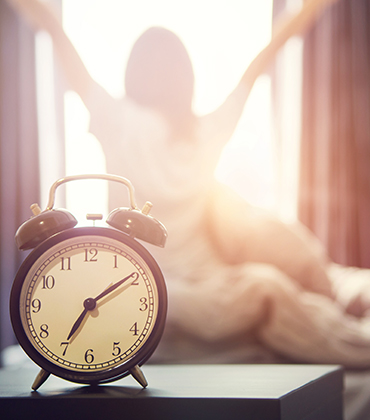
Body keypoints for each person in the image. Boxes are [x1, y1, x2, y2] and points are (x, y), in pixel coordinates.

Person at [6, 0, 370, 418]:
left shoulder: (119, 120)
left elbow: (59, 37)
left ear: (133, 73)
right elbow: (258, 65)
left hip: (173, 284)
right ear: (187, 79)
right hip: (173, 284)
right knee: (263, 288)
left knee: (263, 288)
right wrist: (306, 13)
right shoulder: (198, 129)